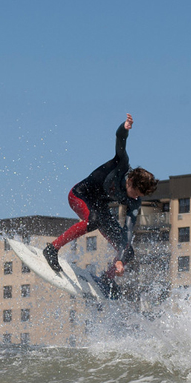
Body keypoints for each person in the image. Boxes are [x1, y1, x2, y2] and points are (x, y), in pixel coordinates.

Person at [43, 113, 158, 298]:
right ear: (130, 181)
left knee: (128, 251)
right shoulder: (122, 165)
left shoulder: (134, 201)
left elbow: (127, 231)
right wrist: (125, 126)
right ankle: (52, 248)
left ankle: (107, 279)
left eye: (140, 196)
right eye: (136, 192)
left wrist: (120, 260)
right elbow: (120, 138)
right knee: (93, 220)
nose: (136, 198)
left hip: (99, 207)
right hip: (79, 195)